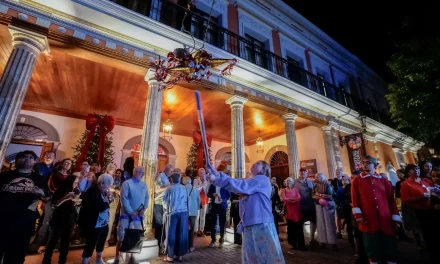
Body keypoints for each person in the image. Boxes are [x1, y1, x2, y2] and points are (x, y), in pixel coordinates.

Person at [207, 160, 285, 264]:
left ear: (263, 170)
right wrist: (216, 175)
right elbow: (236, 184)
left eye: (258, 163)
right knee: (253, 257)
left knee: (266, 257)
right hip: (252, 223)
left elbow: (239, 184)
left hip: (261, 223)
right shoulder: (252, 181)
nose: (254, 163)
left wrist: (216, 178)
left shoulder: (262, 179)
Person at [351, 156, 401, 264]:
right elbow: (355, 200)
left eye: (368, 162)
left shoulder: (383, 180)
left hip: (385, 217)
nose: (364, 164)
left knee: (389, 244)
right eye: (363, 162)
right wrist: (358, 216)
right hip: (368, 218)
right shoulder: (357, 180)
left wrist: (395, 217)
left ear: (374, 165)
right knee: (371, 245)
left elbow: (391, 200)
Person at [0, 151, 46, 264]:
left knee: (17, 255)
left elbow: (47, 198)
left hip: (25, 222)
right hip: (3, 220)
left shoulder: (39, 179)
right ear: (17, 160)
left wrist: (41, 193)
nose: (27, 159)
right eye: (24, 157)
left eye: (31, 158)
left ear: (34, 162)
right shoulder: (4, 176)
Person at [401, 164, 437, 263]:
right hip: (420, 212)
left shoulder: (426, 181)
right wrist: (419, 198)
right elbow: (405, 199)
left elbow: (435, 190)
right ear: (408, 172)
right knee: (428, 234)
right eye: (412, 170)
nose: (416, 171)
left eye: (417, 169)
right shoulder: (406, 184)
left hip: (433, 210)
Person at [42, 175, 80, 264]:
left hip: (69, 217)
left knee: (66, 241)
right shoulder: (60, 190)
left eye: (77, 182)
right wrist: (65, 198)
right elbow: (54, 204)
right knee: (52, 240)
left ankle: (62, 260)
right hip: (58, 217)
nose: (75, 184)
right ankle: (46, 261)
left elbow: (74, 203)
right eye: (74, 182)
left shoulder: (76, 191)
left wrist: (76, 198)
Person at [114, 166, 148, 264]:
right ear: (135, 172)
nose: (143, 174)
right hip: (126, 215)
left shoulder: (144, 184)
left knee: (135, 236)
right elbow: (124, 199)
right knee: (121, 236)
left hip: (138, 215)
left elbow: (147, 197)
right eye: (141, 172)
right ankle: (117, 256)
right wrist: (131, 212)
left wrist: (144, 209)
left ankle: (132, 255)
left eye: (143, 172)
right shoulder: (127, 183)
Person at [78, 174, 114, 264]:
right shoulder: (93, 192)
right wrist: (108, 201)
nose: (109, 187)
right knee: (91, 243)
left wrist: (108, 197)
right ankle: (85, 262)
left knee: (101, 241)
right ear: (101, 183)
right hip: (93, 223)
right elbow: (99, 207)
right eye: (108, 185)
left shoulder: (102, 191)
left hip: (103, 222)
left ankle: (98, 259)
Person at [162, 172, 189, 262]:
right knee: (181, 233)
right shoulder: (184, 188)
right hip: (183, 212)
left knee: (171, 233)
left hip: (172, 212)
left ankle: (170, 255)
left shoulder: (169, 188)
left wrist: (166, 210)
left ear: (172, 179)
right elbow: (187, 200)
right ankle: (180, 255)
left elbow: (165, 201)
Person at [207, 165, 231, 248]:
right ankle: (213, 240)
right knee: (213, 223)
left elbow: (229, 195)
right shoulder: (213, 184)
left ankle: (221, 240)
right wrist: (212, 194)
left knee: (222, 223)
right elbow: (208, 193)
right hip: (214, 205)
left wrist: (223, 199)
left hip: (222, 205)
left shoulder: (225, 184)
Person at [313, 173, 338, 251]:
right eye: (316, 177)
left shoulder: (327, 184)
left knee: (329, 223)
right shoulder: (315, 185)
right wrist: (319, 197)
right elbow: (312, 195)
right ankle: (323, 242)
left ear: (322, 177)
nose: (317, 178)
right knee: (321, 224)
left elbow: (330, 195)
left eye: (319, 177)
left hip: (328, 205)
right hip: (318, 206)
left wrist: (319, 195)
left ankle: (333, 243)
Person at [295, 168, 318, 247]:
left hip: (311, 205)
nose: (303, 173)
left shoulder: (310, 182)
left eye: (304, 172)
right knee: (300, 223)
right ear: (299, 173)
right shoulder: (295, 182)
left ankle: (312, 239)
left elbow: (315, 191)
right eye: (301, 172)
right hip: (300, 206)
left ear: (306, 173)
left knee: (313, 221)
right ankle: (302, 241)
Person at [282, 177, 305, 251]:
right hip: (289, 211)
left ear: (292, 182)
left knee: (299, 228)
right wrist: (293, 200)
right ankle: (294, 244)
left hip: (296, 211)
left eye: (290, 181)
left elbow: (299, 198)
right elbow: (284, 199)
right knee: (291, 228)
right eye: (288, 181)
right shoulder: (284, 190)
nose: (289, 183)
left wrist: (291, 200)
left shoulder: (296, 190)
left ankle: (301, 245)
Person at [154, 164, 173, 245]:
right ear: (167, 169)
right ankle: (158, 243)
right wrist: (168, 185)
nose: (171, 173)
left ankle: (161, 243)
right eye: (171, 171)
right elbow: (157, 189)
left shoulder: (167, 178)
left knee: (163, 224)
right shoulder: (161, 176)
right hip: (158, 202)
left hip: (165, 203)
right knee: (159, 224)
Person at [183, 176, 200, 252]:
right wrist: (197, 208)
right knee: (192, 229)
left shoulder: (182, 188)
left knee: (184, 228)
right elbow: (198, 201)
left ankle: (184, 246)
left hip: (184, 211)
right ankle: (191, 246)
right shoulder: (195, 189)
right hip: (193, 212)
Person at [194, 168, 210, 236]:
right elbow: (196, 189)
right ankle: (195, 231)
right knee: (197, 216)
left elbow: (208, 189)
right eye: (200, 173)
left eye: (203, 173)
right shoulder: (196, 180)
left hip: (204, 199)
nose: (202, 174)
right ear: (198, 173)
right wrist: (201, 184)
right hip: (197, 200)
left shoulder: (207, 181)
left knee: (203, 216)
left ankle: (201, 230)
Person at [331, 168, 344, 239]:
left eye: (339, 172)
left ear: (342, 172)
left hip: (344, 200)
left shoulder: (344, 179)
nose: (337, 173)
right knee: (338, 216)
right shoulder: (333, 181)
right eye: (336, 172)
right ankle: (339, 232)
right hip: (337, 201)